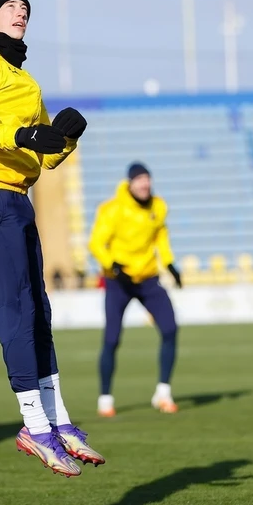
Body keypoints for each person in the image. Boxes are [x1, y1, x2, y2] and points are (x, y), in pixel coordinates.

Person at [0, 0, 104, 477]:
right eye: (12, 4)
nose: (22, 10)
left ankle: (57, 422)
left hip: (16, 195)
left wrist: (64, 135)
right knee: (14, 307)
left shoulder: (23, 78)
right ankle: (33, 427)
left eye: (25, 6)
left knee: (38, 310)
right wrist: (24, 136)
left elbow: (44, 155)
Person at [88, 162, 182, 417]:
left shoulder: (158, 206)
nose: (145, 184)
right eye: (140, 180)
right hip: (119, 280)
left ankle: (163, 393)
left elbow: (160, 235)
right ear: (130, 183)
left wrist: (170, 263)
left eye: (147, 179)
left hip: (148, 277)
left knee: (170, 329)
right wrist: (112, 265)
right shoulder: (112, 209)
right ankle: (105, 398)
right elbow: (96, 242)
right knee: (112, 338)